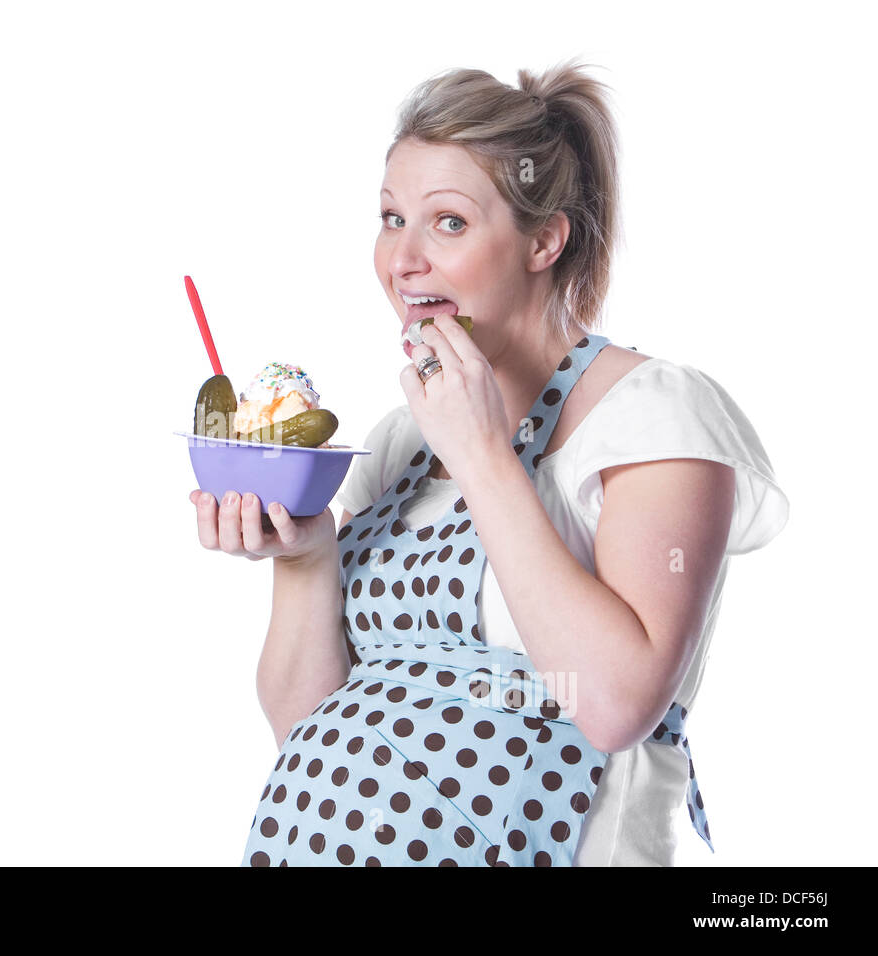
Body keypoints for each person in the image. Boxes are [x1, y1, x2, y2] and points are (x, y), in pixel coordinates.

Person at [188, 59, 789, 866]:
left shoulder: (653, 413)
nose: (402, 260)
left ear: (544, 239)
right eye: (390, 217)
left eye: (449, 222)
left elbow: (615, 705)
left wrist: (483, 456)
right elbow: (307, 726)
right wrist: (306, 558)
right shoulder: (403, 439)